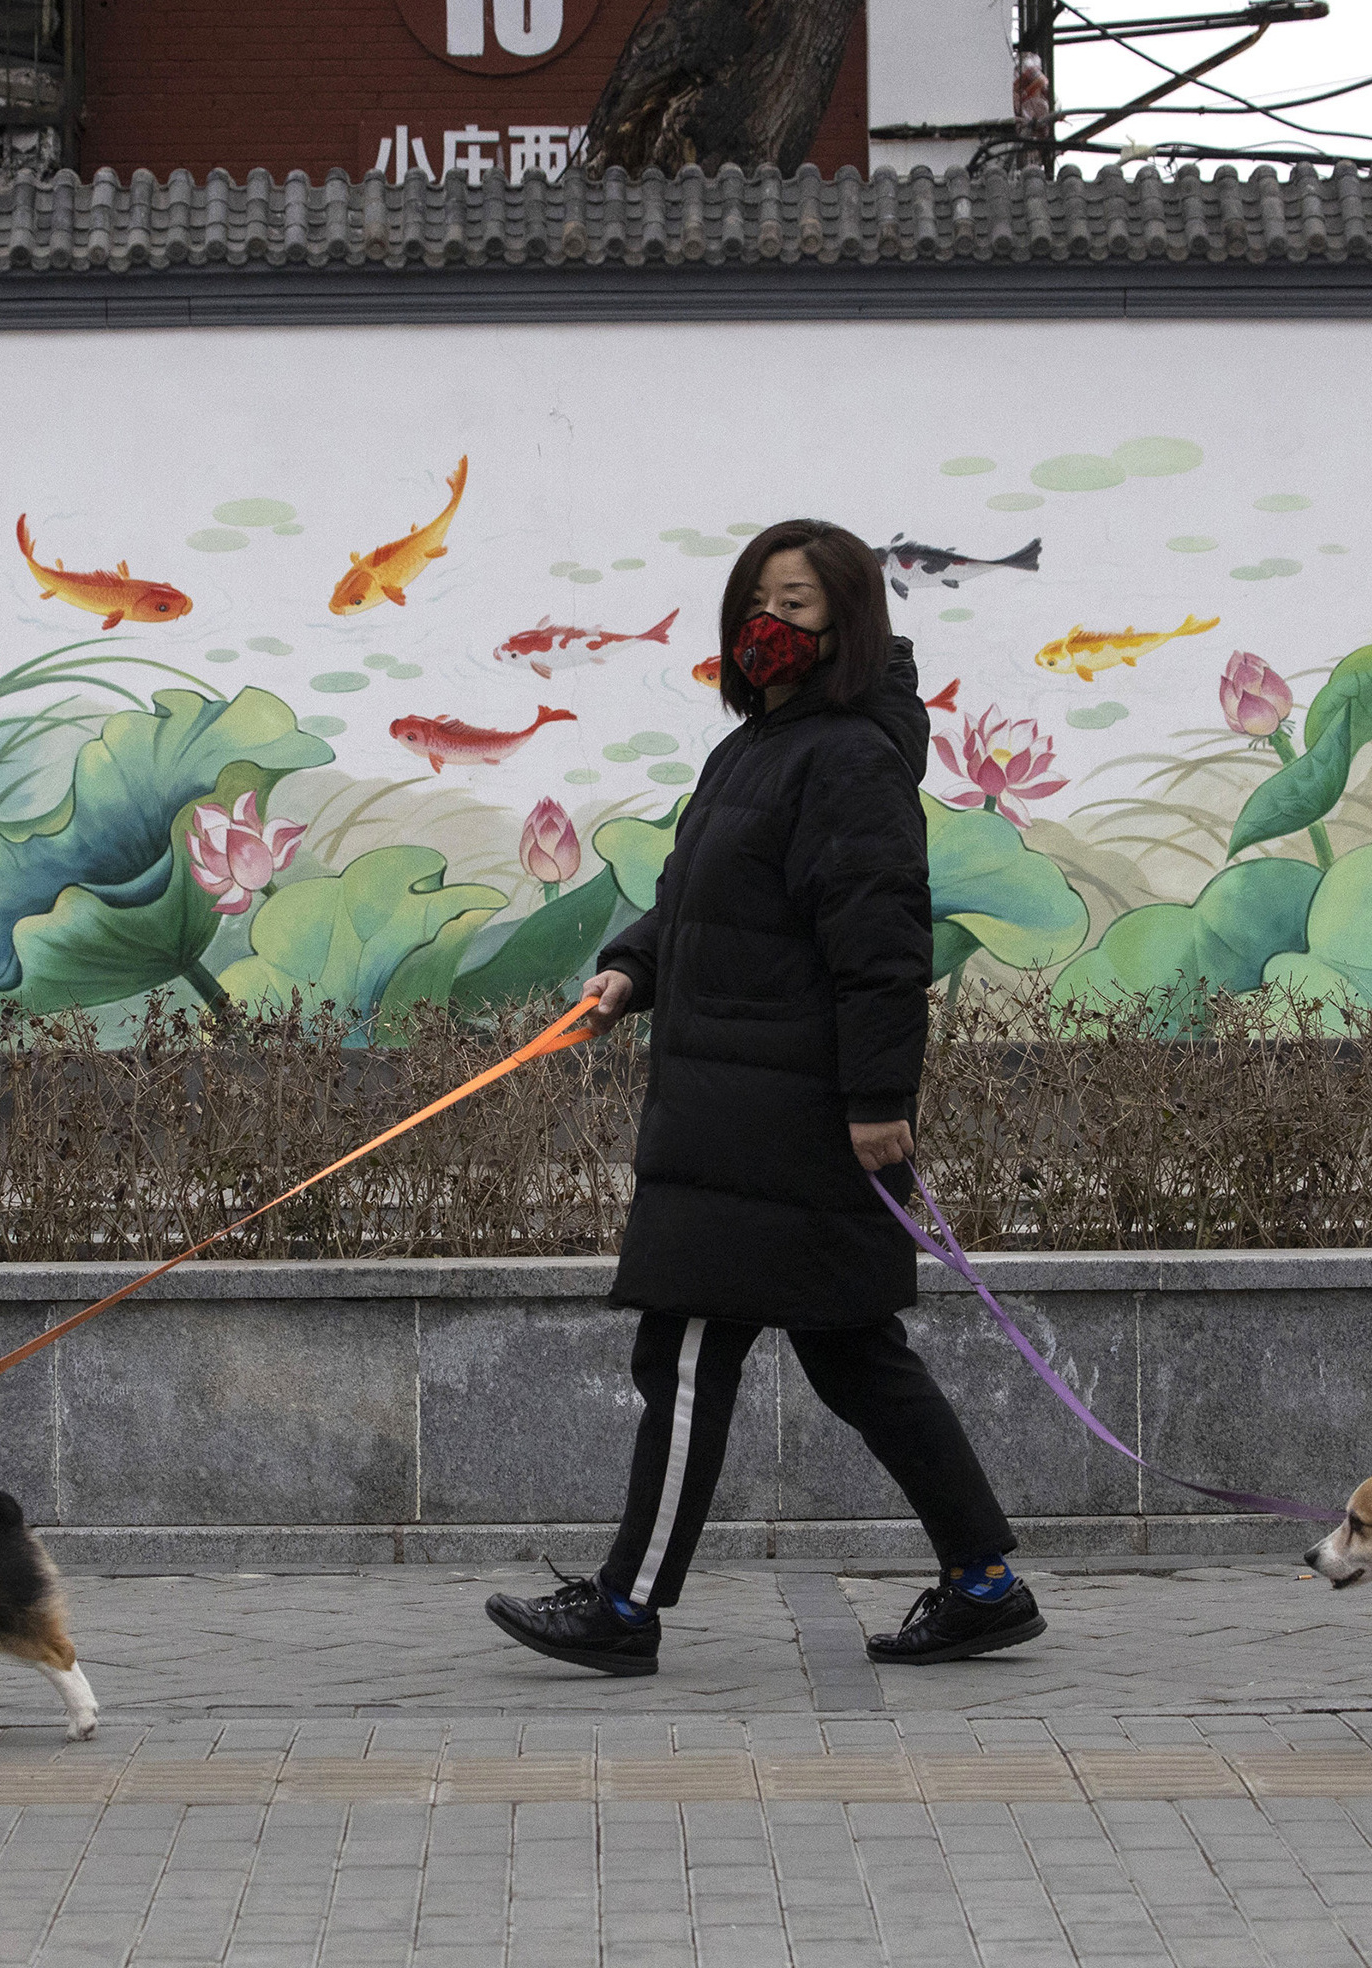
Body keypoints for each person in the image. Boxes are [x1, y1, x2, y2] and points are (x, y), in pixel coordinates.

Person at [484, 519, 1044, 1677]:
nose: (768, 627)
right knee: (853, 1355)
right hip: (740, 1105)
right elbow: (700, 895)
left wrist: (878, 1098)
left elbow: (881, 946)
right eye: (757, 603)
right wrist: (633, 965)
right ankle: (983, 1581)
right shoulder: (758, 749)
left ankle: (625, 1609)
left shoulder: (844, 757)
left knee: (684, 1350)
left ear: (847, 621)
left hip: (775, 1119)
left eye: (796, 606)